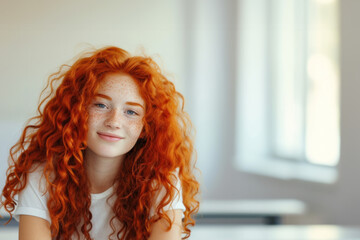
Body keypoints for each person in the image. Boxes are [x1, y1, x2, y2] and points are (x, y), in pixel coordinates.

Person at [0, 46, 200, 240]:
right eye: (101, 105)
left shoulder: (161, 181)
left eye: (131, 112)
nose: (113, 121)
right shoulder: (41, 176)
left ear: (146, 127)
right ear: (77, 111)